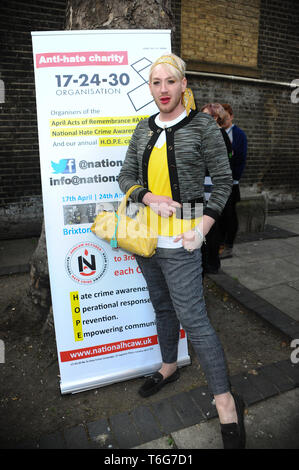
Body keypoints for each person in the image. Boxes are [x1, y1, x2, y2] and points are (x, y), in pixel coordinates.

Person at [118, 53, 246, 449]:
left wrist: (203, 229)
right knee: (162, 305)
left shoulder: (202, 126)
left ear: (183, 84)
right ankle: (169, 366)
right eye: (155, 83)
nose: (162, 90)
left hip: (183, 238)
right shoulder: (143, 129)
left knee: (194, 316)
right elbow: (125, 176)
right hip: (145, 238)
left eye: (169, 82)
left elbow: (223, 182)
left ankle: (225, 402)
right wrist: (148, 196)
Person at [200, 103, 233, 274]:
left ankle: (211, 264)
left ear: (216, 117)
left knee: (211, 227)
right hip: (202, 185)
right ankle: (207, 262)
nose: (204, 119)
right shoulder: (210, 134)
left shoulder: (219, 135)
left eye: (208, 116)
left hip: (211, 187)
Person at [219, 103, 247, 259]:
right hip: (217, 183)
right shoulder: (217, 132)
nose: (224, 119)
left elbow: (241, 158)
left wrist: (235, 178)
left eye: (227, 116)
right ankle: (220, 244)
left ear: (231, 116)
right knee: (220, 215)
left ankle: (229, 245)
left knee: (230, 215)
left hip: (231, 183)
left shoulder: (239, 134)